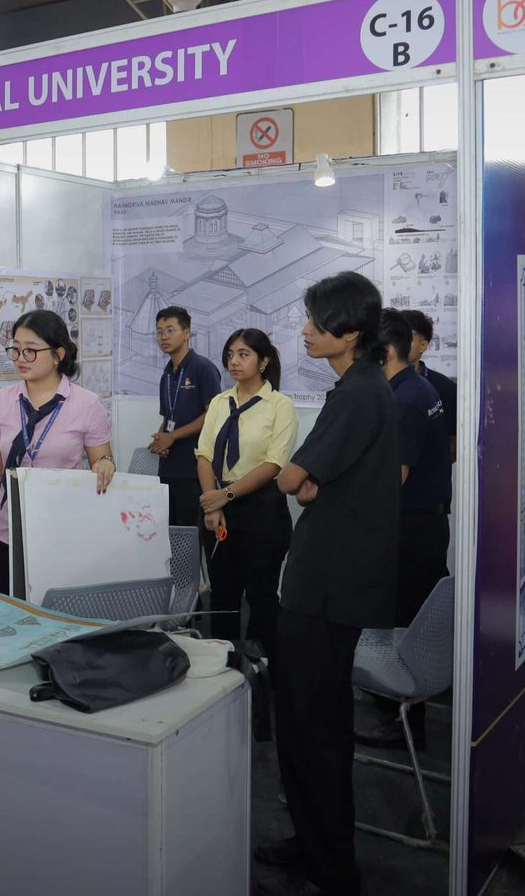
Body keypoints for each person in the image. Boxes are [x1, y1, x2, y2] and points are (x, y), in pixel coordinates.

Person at [256, 271, 398, 896]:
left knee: (313, 727)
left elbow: (293, 478)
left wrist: (301, 478)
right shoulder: (360, 388)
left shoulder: (358, 393)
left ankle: (332, 865)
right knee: (310, 723)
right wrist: (306, 479)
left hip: (327, 589)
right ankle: (314, 842)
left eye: (318, 323)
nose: (307, 331)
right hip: (328, 581)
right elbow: (312, 479)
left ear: (351, 333)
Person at [356, 309, 451, 750]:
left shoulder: (404, 401)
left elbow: (393, 478)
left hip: (409, 529)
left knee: (400, 625)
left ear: (386, 351)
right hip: (423, 524)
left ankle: (400, 723)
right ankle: (405, 717)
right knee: (410, 621)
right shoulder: (416, 387)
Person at [0, 309, 115, 592]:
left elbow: (103, 461)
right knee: (4, 614)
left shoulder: (87, 404)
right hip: (5, 533)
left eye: (31, 350)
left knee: (54, 615)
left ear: (58, 354)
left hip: (60, 535)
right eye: (16, 349)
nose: (21, 358)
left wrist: (106, 463)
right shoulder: (0, 402)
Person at [193, 328, 297, 658]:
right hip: (218, 506)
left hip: (262, 509)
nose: (234, 362)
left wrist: (226, 496)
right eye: (230, 355)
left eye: (243, 354)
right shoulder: (219, 403)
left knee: (261, 596)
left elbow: (274, 464)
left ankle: (262, 667)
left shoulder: (279, 405)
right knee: (222, 596)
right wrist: (212, 504)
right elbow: (204, 454)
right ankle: (223, 667)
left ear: (263, 361)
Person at [149, 306, 222, 528]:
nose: (164, 336)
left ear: (187, 333)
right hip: (169, 467)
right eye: (159, 331)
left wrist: (173, 436)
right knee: (168, 533)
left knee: (190, 533)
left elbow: (212, 415)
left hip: (194, 469)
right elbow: (168, 417)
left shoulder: (203, 368)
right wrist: (161, 439)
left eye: (170, 330)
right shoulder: (166, 374)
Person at [402, 309, 456, 463]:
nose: (398, 344)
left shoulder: (444, 387)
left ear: (423, 345)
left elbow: (454, 442)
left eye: (405, 338)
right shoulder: (381, 385)